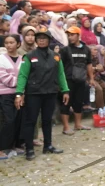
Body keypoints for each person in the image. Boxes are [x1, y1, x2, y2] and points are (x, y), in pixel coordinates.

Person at [15, 30, 70, 160]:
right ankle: (29, 149)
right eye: (39, 38)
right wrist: (19, 93)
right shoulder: (29, 56)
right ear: (36, 40)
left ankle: (48, 146)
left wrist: (65, 90)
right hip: (33, 93)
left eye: (44, 38)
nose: (41, 40)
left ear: (49, 40)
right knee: (31, 121)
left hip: (50, 92)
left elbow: (61, 74)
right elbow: (22, 75)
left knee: (47, 120)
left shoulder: (56, 56)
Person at [58, 27, 94, 135]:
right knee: (66, 103)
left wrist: (91, 78)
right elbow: (60, 67)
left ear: (78, 35)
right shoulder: (65, 50)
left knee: (79, 102)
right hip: (68, 80)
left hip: (81, 79)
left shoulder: (86, 49)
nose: (70, 37)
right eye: (69, 35)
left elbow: (89, 64)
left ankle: (78, 124)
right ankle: (65, 127)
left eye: (72, 35)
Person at [0, 34, 23, 159]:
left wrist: (21, 87)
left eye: (11, 42)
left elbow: (26, 75)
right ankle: (2, 147)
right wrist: (21, 82)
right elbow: (4, 78)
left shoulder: (22, 59)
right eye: (6, 43)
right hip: (5, 94)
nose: (8, 45)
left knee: (18, 119)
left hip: (19, 94)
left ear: (18, 44)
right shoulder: (1, 59)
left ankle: (14, 145)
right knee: (9, 120)